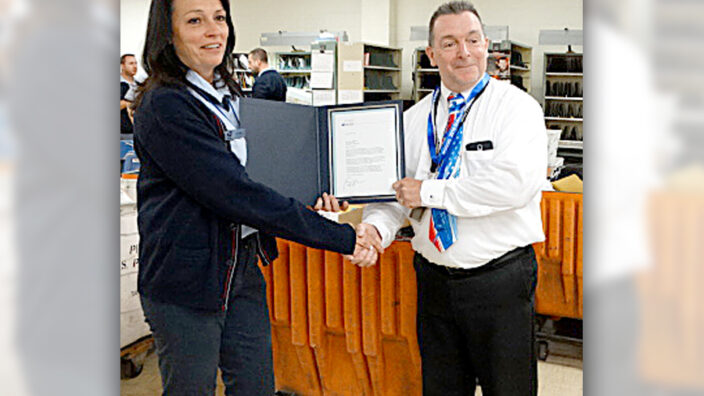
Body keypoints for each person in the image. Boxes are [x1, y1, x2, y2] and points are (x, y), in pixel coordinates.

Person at [132, 0, 379, 394]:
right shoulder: (167, 105)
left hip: (241, 267)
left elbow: (256, 175)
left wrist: (309, 191)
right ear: (168, 33)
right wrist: (343, 237)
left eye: (220, 18)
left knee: (255, 385)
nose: (214, 31)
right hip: (186, 279)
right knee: (191, 388)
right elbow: (235, 194)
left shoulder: (226, 92)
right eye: (195, 21)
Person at [358, 2, 547, 395]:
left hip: (500, 282)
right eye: (449, 43)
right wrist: (376, 229)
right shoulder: (413, 119)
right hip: (434, 283)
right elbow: (395, 196)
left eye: (472, 40)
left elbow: (515, 185)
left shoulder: (516, 109)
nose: (464, 52)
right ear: (432, 54)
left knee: (510, 389)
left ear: (486, 45)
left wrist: (429, 191)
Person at [120, 53, 138, 136]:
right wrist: (128, 102)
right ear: (122, 66)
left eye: (135, 63)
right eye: (131, 63)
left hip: (137, 132)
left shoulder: (140, 85)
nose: (135, 66)